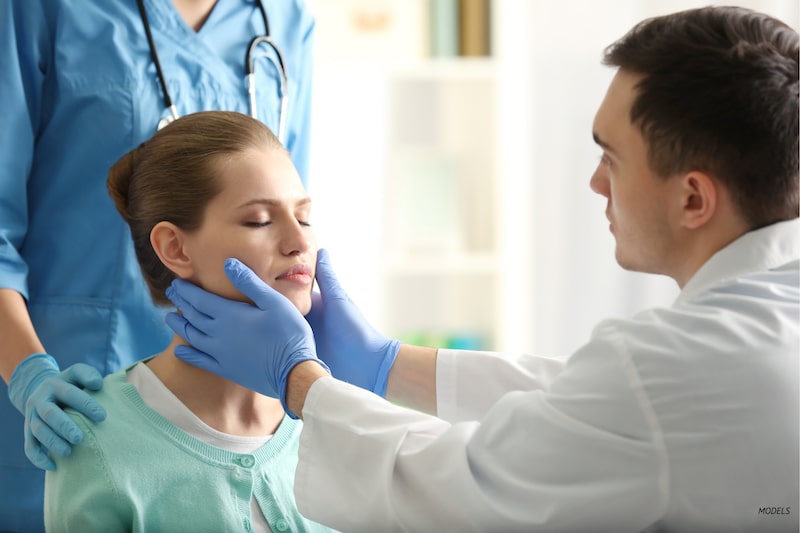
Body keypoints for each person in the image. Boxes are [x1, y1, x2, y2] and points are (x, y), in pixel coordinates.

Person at [165, 6, 799, 532]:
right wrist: (384, 364)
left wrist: (301, 381)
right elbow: (580, 401)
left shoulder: (679, 369)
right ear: (173, 248)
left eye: (612, 158)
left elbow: (463, 488)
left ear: (693, 198)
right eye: (256, 220)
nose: (594, 181)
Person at [0, 1, 313, 530]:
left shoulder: (283, 17)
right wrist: (27, 373)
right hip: (73, 392)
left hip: (246, 400)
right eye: (257, 220)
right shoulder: (43, 11)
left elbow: (290, 207)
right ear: (173, 247)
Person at [44, 110, 332, 532]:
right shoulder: (96, 442)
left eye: (304, 217)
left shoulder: (335, 416)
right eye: (259, 221)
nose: (300, 241)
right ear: (174, 248)